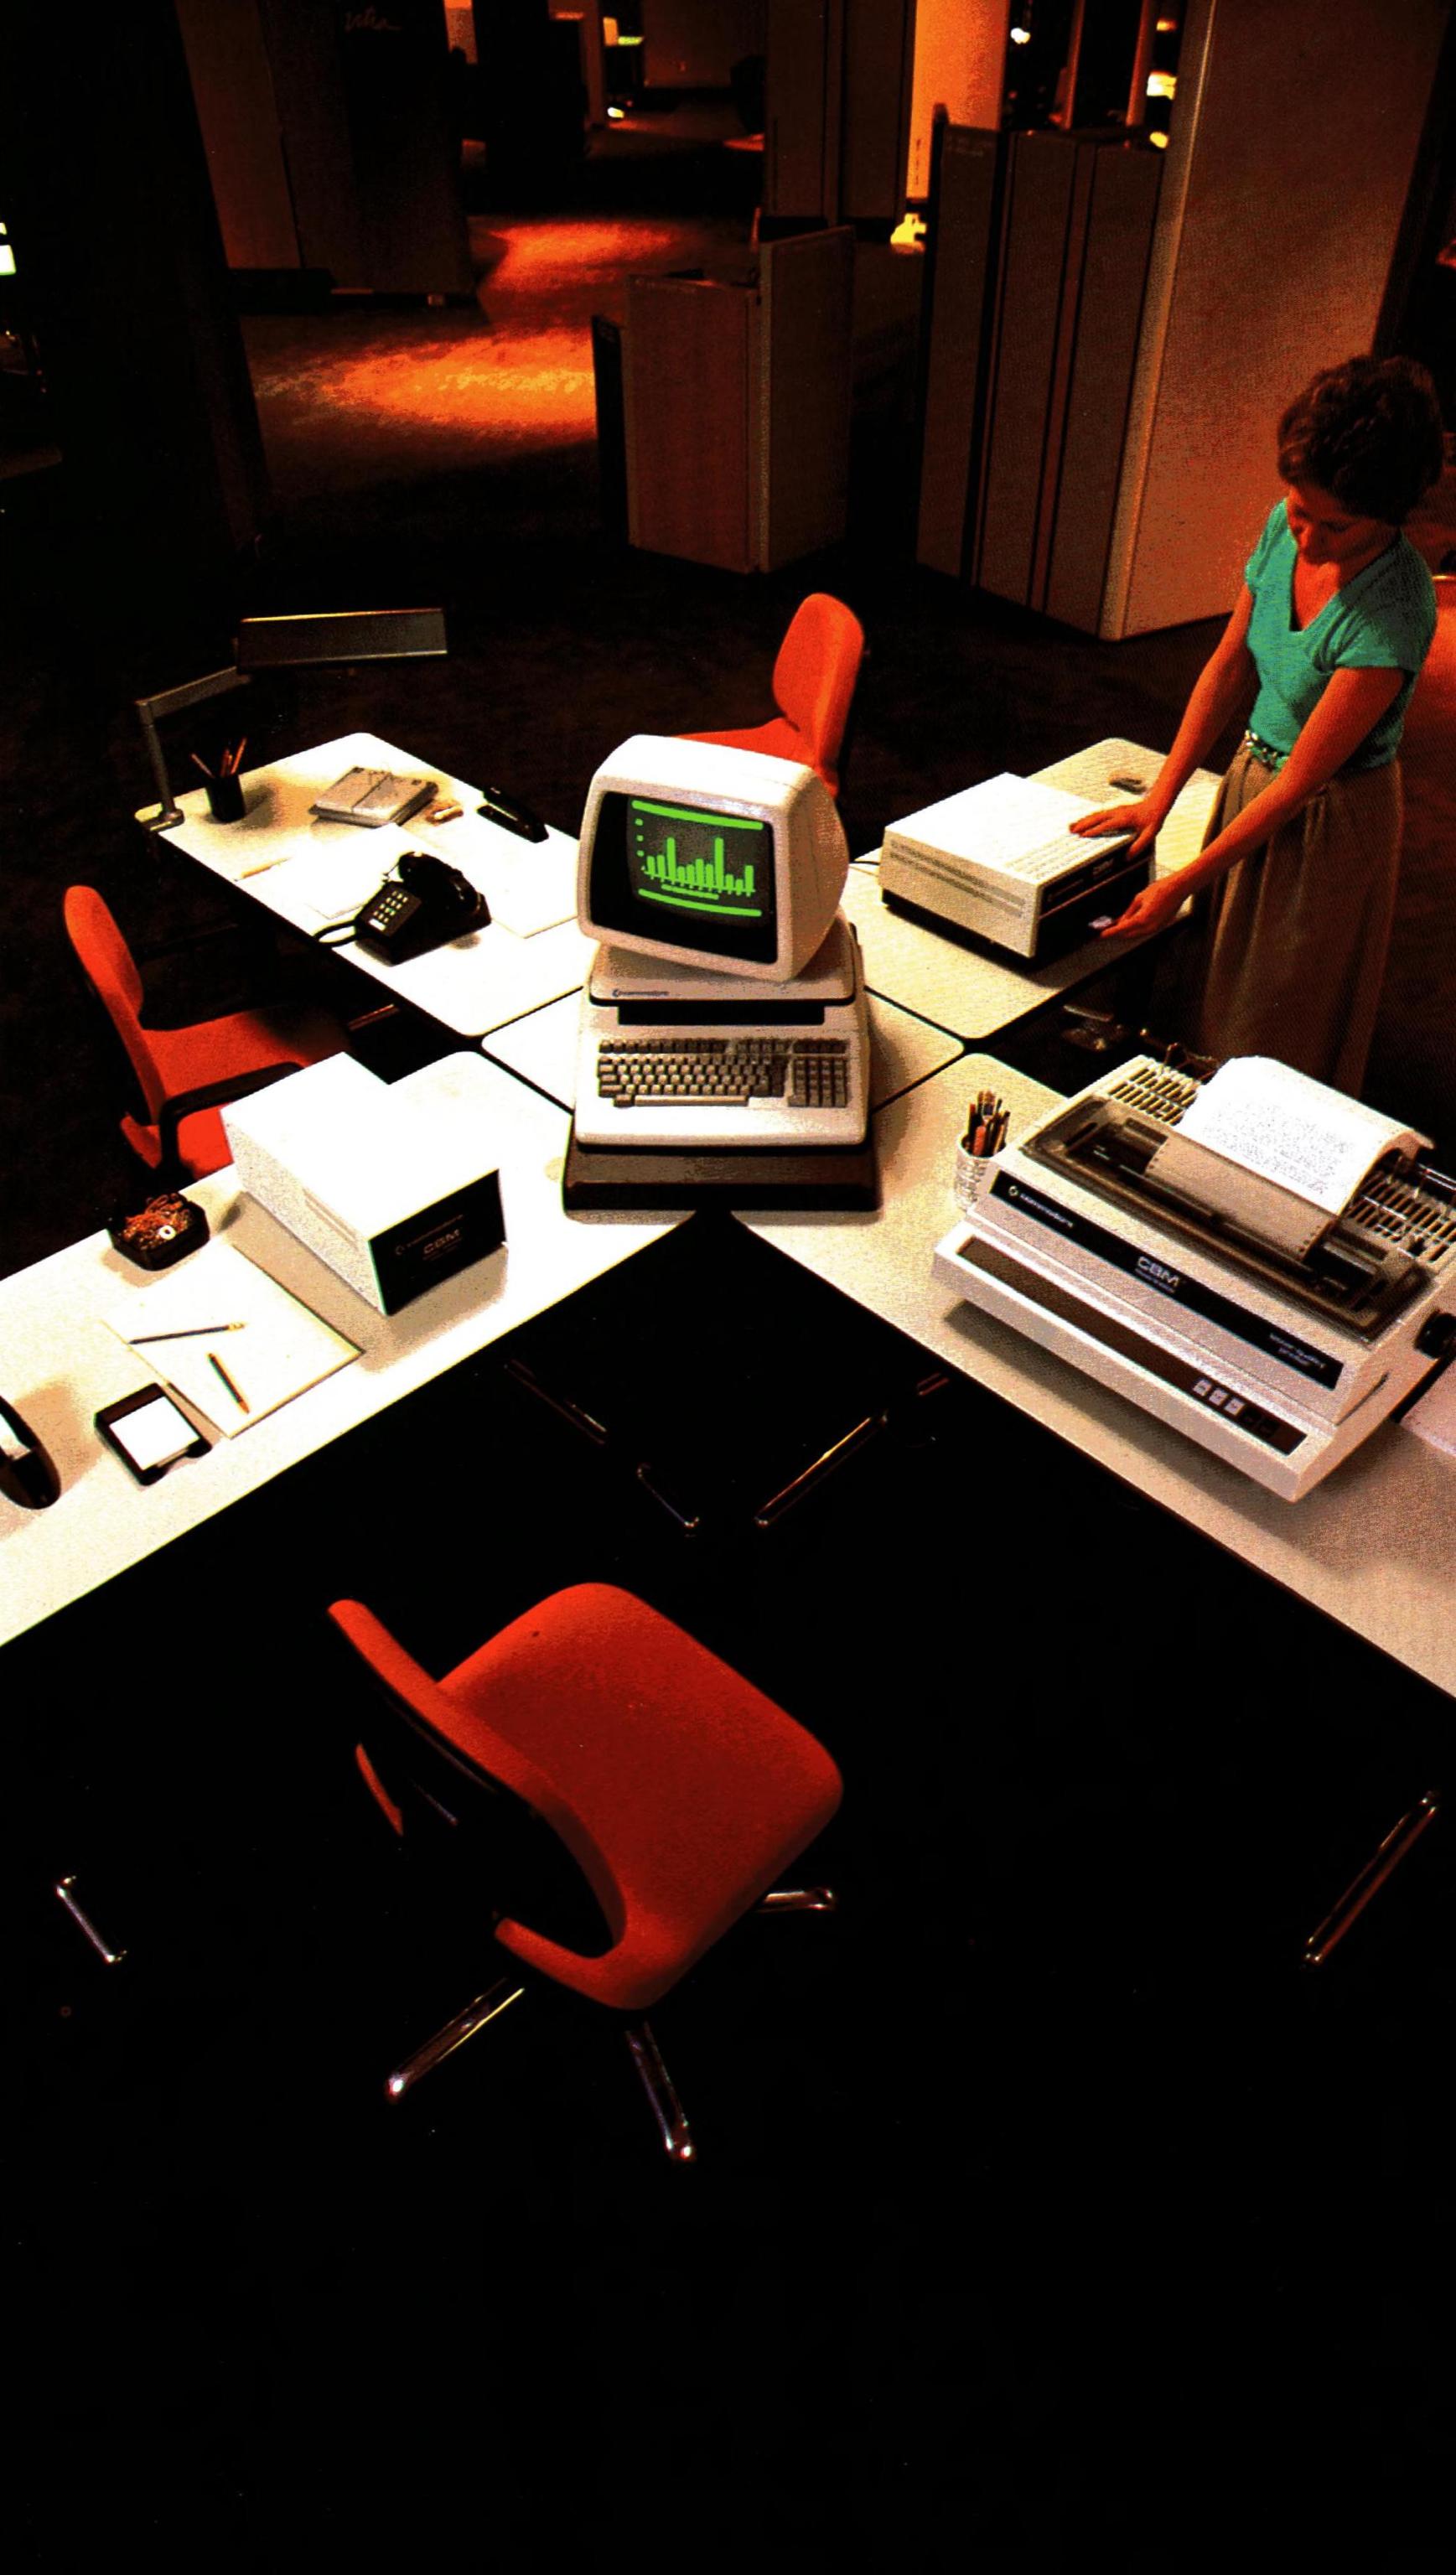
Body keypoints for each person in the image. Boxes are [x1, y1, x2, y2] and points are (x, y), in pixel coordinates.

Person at [1071, 355, 1445, 1092]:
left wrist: (1182, 881)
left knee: (1269, 1015)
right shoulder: (1284, 525)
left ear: (1388, 512)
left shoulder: (1395, 609)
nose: (1306, 539)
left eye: (1334, 526)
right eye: (1298, 512)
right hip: (1250, 780)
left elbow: (1303, 780)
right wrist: (1159, 798)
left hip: (1327, 819)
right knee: (1207, 983)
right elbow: (1227, 667)